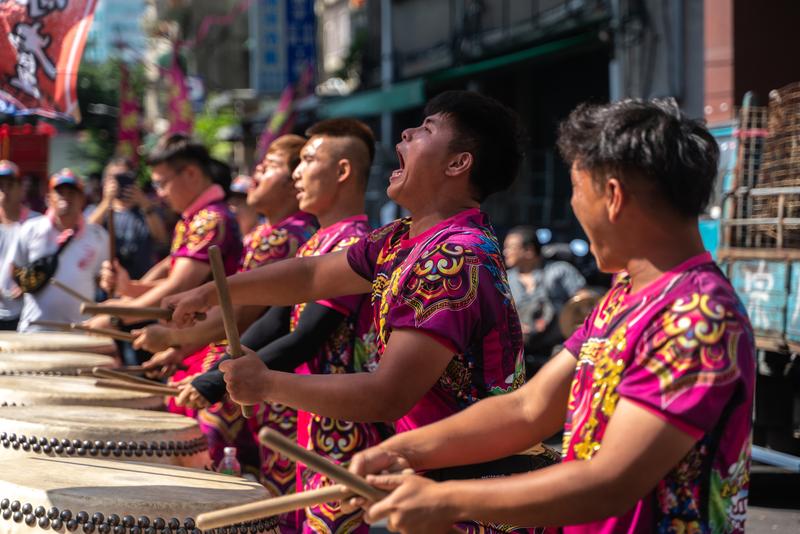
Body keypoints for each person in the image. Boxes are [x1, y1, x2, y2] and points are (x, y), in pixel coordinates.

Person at [333, 99, 756, 534]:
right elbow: (529, 407)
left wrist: (446, 499)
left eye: (577, 189)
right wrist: (405, 451)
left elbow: (611, 481)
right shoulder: (626, 296)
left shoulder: (696, 316)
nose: (574, 206)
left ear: (612, 197)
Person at [165, 91, 539, 533]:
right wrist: (212, 291)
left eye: (427, 130)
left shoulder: (452, 256)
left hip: (470, 494)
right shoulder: (402, 238)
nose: (406, 132)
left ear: (458, 164)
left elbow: (388, 393)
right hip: (426, 479)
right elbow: (310, 277)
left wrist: (266, 383)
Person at [164, 120, 380, 532]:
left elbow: (305, 337)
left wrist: (214, 383)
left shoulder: (355, 244)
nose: (298, 172)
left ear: (343, 171)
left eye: (310, 161)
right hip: (304, 416)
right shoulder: (318, 241)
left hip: (342, 423)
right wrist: (214, 373)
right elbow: (274, 320)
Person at [131, 134, 318, 490]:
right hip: (262, 374)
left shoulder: (280, 236)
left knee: (223, 483)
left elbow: (246, 315)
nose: (258, 171)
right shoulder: (271, 232)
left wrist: (175, 339)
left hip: (258, 378)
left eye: (271, 165)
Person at [86, 134, 242, 338]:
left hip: (211, 341)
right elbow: (175, 282)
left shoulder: (210, 220)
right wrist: (129, 290)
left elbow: (180, 286)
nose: (159, 193)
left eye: (161, 184)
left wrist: (118, 316)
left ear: (191, 173)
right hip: (194, 337)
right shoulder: (193, 218)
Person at [13, 169, 109, 332]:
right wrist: (26, 284)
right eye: (60, 192)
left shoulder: (98, 235)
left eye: (72, 192)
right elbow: (15, 268)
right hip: (35, 330)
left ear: (81, 199)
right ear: (49, 198)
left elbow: (102, 278)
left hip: (80, 331)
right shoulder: (30, 229)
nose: (66, 197)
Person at [503, 226, 586, 372]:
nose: (505, 252)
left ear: (529, 251)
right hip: (517, 356)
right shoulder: (505, 280)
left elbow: (584, 304)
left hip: (558, 352)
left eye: (511, 247)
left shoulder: (560, 271)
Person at [87, 157, 168, 280]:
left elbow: (162, 239)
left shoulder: (147, 210)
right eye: (114, 178)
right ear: (105, 182)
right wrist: (106, 202)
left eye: (124, 177)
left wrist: (144, 203)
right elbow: (85, 235)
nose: (119, 182)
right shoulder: (98, 210)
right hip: (106, 286)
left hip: (141, 283)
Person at [0, 160, 41, 330]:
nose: (4, 191)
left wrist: (27, 285)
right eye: (0, 185)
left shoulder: (37, 223)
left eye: (10, 184)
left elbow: (46, 263)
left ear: (20, 188)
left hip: (27, 311)